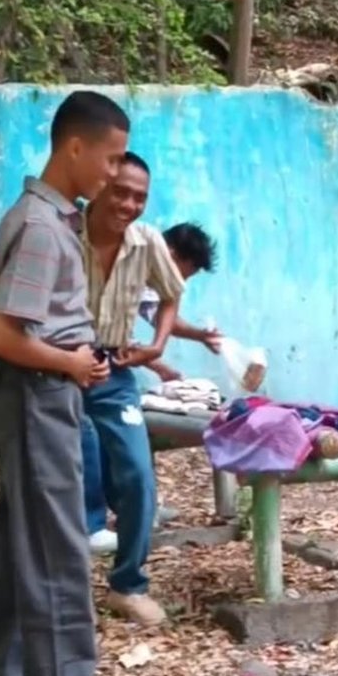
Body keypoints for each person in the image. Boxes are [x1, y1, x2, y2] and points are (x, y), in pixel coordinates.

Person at [0, 91, 134, 676]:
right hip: (37, 395)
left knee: (18, 546)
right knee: (59, 547)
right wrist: (70, 363)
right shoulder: (41, 225)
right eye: (112, 156)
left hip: (35, 391)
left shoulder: (46, 216)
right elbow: (2, 335)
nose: (115, 173)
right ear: (75, 146)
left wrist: (74, 359)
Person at [81, 152, 185, 627]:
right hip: (55, 370)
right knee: (72, 466)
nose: (128, 204)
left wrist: (157, 345)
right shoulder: (64, 232)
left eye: (139, 197)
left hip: (114, 370)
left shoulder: (146, 242)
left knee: (138, 475)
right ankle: (60, 585)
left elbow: (171, 292)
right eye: (120, 191)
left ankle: (128, 585)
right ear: (100, 186)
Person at [84, 220, 220, 556]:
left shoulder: (149, 276)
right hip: (85, 359)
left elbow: (163, 315)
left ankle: (133, 510)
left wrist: (200, 336)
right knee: (91, 442)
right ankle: (92, 524)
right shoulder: (126, 259)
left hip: (109, 362)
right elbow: (108, 329)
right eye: (182, 274)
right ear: (169, 254)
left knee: (122, 445)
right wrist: (156, 363)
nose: (178, 285)